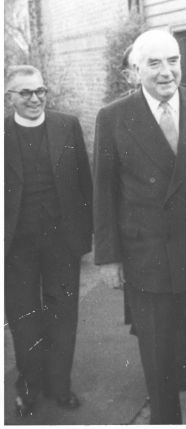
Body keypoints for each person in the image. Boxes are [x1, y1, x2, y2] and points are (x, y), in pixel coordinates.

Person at [93, 29, 186, 424]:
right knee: (159, 360)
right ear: (136, 70)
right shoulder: (113, 117)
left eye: (173, 60)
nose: (167, 71)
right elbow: (104, 191)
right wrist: (110, 259)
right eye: (154, 63)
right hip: (147, 260)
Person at [4, 65, 93, 417]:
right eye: (25, 93)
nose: (35, 99)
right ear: (8, 97)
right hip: (16, 247)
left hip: (62, 241)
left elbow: (84, 182)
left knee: (63, 315)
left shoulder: (66, 125)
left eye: (40, 91)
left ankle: (60, 386)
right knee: (24, 318)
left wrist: (87, 233)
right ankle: (28, 387)